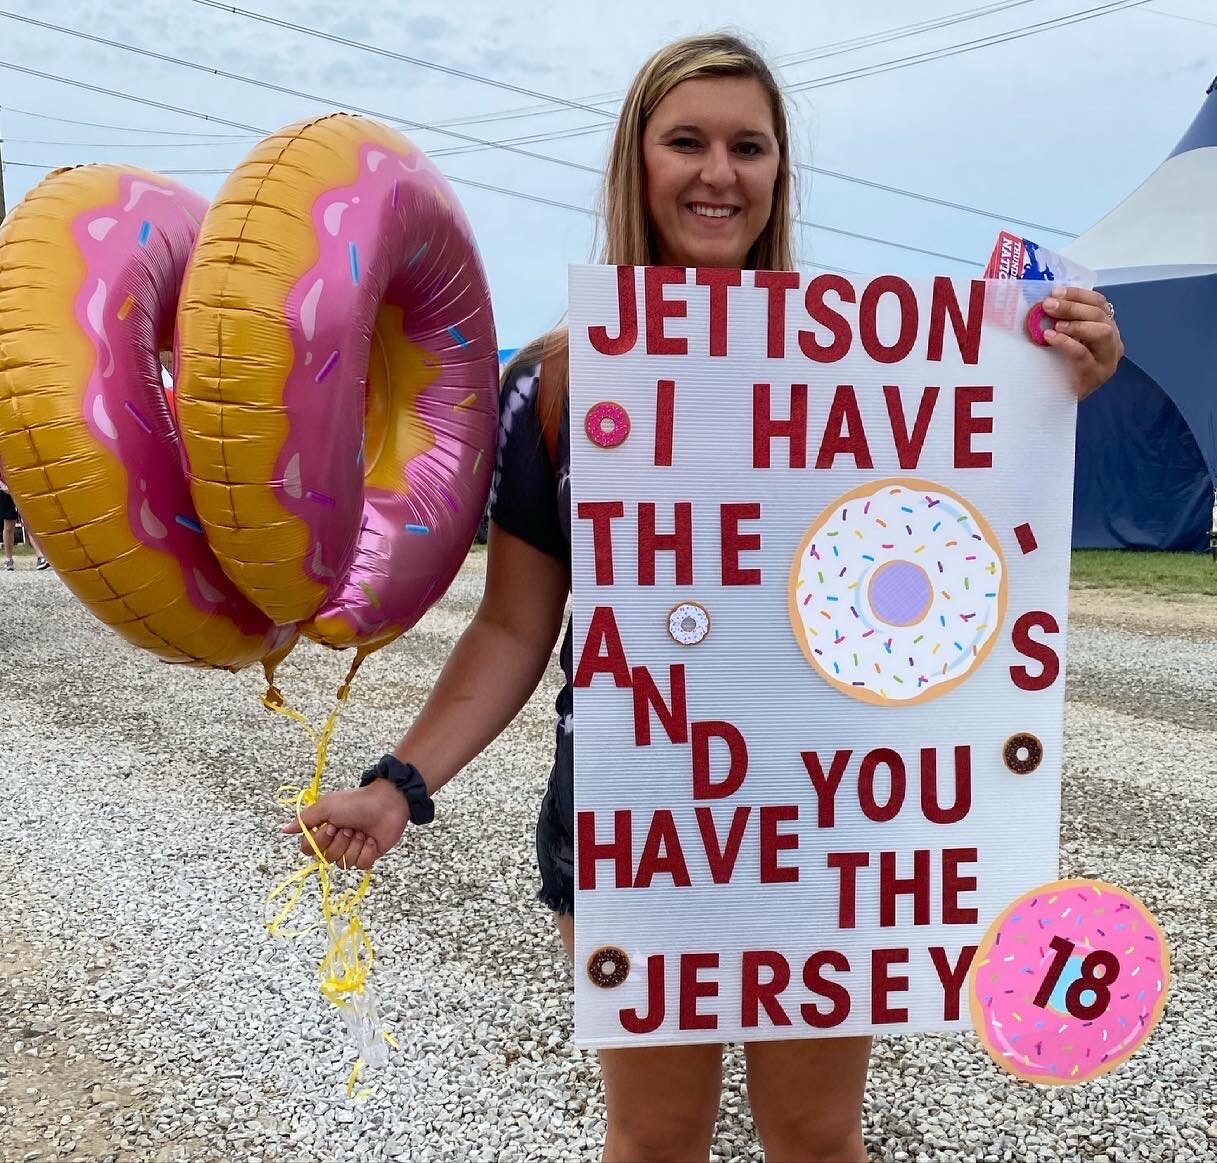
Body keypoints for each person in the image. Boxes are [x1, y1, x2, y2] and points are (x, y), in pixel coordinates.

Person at [284, 31, 1124, 1161]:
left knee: (818, 1136)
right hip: (636, 822)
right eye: (686, 141)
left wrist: (1048, 381)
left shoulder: (872, 367)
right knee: (656, 1139)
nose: (717, 173)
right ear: (637, 161)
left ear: (779, 173)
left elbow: (968, 548)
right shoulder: (558, 380)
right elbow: (518, 623)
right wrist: (400, 782)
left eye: (748, 145)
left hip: (834, 818)